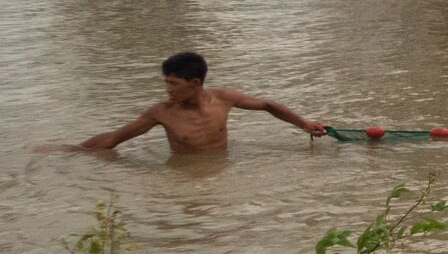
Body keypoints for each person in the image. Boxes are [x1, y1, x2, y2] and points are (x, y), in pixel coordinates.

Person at [55, 51, 326, 154]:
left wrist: (303, 123)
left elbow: (267, 105)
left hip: (220, 168)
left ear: (194, 83)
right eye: (166, 82)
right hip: (183, 175)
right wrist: (71, 150)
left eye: (173, 83)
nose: (167, 89)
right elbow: (114, 139)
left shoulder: (223, 99)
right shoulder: (161, 113)